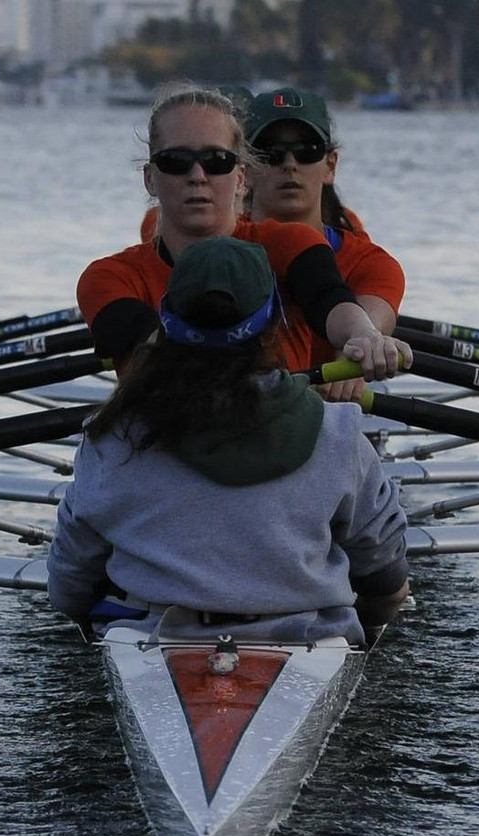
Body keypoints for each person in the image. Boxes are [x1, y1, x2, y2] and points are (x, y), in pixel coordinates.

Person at [47, 236, 411, 644]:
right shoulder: (339, 432)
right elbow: (384, 574)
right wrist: (375, 611)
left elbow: (68, 588)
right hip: (307, 636)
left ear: (163, 323)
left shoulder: (112, 434)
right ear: (274, 326)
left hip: (150, 636)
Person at [77, 85, 410, 381]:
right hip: (164, 438)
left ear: (241, 178)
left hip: (282, 440)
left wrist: (364, 335)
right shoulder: (107, 277)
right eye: (176, 161)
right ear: (150, 178)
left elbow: (329, 299)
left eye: (216, 160)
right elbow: (147, 344)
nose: (197, 176)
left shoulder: (292, 244)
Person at [243, 87, 405, 400]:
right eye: (270, 153)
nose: (290, 164)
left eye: (307, 151)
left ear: (330, 166)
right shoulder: (218, 249)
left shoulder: (372, 264)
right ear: (246, 170)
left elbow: (367, 329)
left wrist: (358, 347)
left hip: (323, 412)